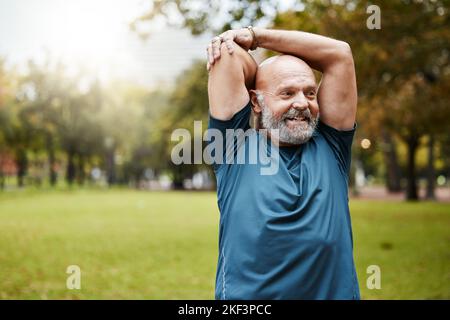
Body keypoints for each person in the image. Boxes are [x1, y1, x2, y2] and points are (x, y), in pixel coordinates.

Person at [206, 27, 360, 300]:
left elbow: (340, 54)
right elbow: (228, 58)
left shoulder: (333, 145)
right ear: (255, 101)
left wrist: (256, 37)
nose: (302, 103)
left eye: (310, 93)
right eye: (287, 93)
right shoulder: (233, 149)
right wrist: (236, 47)